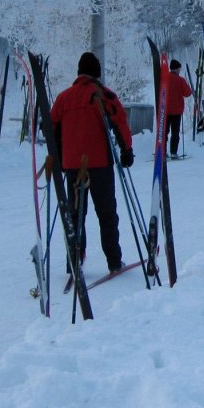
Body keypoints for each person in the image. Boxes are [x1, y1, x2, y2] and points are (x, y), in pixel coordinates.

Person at [51, 52, 134, 274]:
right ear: (97, 73)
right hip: (100, 165)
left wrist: (58, 158)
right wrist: (127, 150)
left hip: (72, 166)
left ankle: (74, 259)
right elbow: (120, 123)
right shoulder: (103, 95)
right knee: (107, 213)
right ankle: (114, 261)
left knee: (76, 214)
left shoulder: (63, 98)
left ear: (78, 72)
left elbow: (51, 128)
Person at [164, 59, 193, 158]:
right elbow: (188, 93)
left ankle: (162, 151)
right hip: (176, 111)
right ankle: (173, 152)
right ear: (176, 69)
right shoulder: (180, 80)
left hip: (165, 110)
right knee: (175, 133)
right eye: (179, 68)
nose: (180, 70)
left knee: (164, 132)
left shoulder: (164, 78)